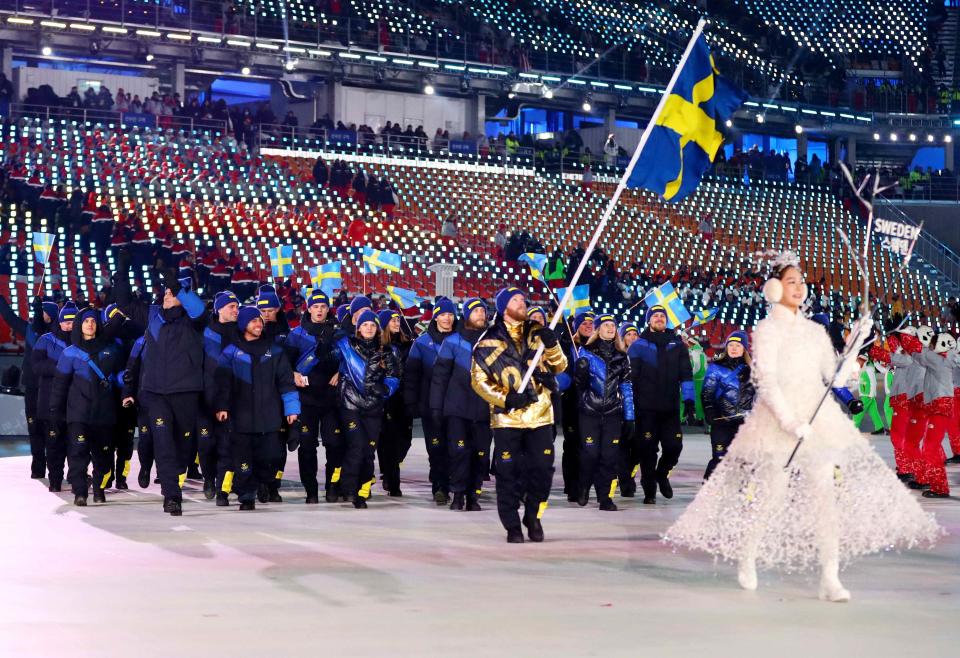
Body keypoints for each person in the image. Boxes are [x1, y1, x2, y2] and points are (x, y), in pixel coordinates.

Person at [665, 252, 941, 602]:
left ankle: (830, 576)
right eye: (791, 281)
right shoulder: (767, 330)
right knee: (771, 496)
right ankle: (748, 556)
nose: (799, 287)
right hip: (780, 422)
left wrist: (856, 343)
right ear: (774, 288)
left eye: (801, 282)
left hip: (818, 419)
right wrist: (789, 421)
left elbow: (835, 376)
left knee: (824, 497)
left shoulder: (815, 331)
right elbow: (766, 379)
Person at [471, 287, 567, 543]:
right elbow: (478, 380)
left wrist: (553, 345)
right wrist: (506, 398)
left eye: (524, 299)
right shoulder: (487, 341)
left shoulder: (537, 333)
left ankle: (533, 515)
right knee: (507, 473)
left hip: (540, 414)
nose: (522, 303)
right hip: (507, 419)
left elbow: (560, 366)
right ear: (504, 307)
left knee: (542, 470)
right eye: (516, 300)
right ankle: (512, 525)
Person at [119, 270, 207, 516]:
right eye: (166, 291)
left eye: (172, 292)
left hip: (186, 391)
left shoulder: (195, 320)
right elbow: (124, 304)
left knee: (181, 446)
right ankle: (172, 496)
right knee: (164, 443)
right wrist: (123, 274)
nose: (167, 295)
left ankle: (175, 480)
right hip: (155, 392)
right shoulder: (153, 315)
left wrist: (176, 286)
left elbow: (197, 307)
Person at [214, 306, 300, 511]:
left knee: (269, 458)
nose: (259, 324)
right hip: (241, 417)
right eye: (254, 321)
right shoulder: (231, 352)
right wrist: (222, 406)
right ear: (244, 324)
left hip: (269, 416)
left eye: (260, 321)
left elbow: (286, 382)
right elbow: (222, 383)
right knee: (243, 461)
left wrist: (292, 409)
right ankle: (246, 496)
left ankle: (260, 484)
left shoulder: (275, 351)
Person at [49, 308, 124, 506]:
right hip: (79, 413)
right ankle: (80, 492)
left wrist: (124, 381)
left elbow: (118, 378)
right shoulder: (69, 353)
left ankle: (99, 489)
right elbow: (59, 386)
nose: (90, 324)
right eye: (85, 321)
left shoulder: (111, 349)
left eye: (93, 321)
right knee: (78, 454)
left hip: (105, 413)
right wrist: (55, 413)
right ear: (79, 325)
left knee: (104, 455)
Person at [627, 305, 695, 504]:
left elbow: (686, 375)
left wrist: (689, 401)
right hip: (645, 409)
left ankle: (662, 473)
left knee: (674, 446)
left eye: (662, 316)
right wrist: (631, 409)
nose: (659, 318)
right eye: (655, 316)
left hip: (670, 409)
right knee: (647, 452)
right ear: (649, 321)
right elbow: (632, 379)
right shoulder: (638, 346)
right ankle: (649, 491)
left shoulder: (677, 345)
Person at [429, 298, 491, 511]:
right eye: (476, 311)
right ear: (466, 316)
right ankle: (457, 494)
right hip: (457, 409)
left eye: (483, 311)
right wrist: (436, 407)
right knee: (459, 452)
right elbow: (440, 378)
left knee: (480, 455)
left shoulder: (494, 341)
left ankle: (474, 495)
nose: (480, 314)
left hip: (485, 409)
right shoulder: (453, 342)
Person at [334, 310, 400, 508]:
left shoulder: (387, 351)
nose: (369, 328)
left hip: (374, 406)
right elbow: (324, 357)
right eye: (365, 325)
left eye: (372, 325)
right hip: (351, 405)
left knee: (369, 450)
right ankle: (350, 490)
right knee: (356, 447)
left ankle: (363, 489)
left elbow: (394, 375)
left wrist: (386, 389)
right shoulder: (345, 345)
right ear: (358, 328)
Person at [284, 290, 341, 503]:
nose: (319, 310)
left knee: (334, 444)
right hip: (306, 400)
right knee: (307, 446)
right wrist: (294, 373)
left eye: (323, 306)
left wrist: (341, 372)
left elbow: (349, 359)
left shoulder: (338, 333)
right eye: (315, 306)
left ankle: (333, 487)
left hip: (331, 399)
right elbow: (285, 365)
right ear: (308, 309)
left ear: (328, 309)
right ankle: (311, 491)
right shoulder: (296, 334)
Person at [573, 314, 633, 511]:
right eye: (606, 325)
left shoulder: (621, 355)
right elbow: (579, 386)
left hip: (613, 413)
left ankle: (605, 497)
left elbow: (626, 387)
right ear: (598, 329)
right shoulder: (586, 351)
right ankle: (583, 486)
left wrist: (630, 416)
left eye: (613, 325)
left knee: (609, 457)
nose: (610, 328)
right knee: (590, 454)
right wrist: (580, 372)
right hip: (590, 411)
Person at [405, 298, 457, 504]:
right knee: (436, 448)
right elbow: (411, 376)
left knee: (456, 448)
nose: (447, 318)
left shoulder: (462, 339)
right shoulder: (422, 343)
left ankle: (455, 482)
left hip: (457, 405)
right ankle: (440, 487)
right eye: (443, 314)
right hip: (430, 405)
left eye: (450, 314)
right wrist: (411, 402)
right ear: (435, 317)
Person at [0, 295, 54, 479]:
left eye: (43, 311)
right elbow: (9, 317)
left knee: (50, 429)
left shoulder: (55, 333)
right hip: (31, 386)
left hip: (49, 388)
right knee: (34, 428)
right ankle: (38, 468)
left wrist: (38, 311)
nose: (38, 314)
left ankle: (55, 468)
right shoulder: (30, 330)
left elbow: (41, 325)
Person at [197, 291, 241, 505]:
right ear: (219, 309)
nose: (236, 310)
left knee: (227, 445)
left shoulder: (241, 332)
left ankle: (223, 487)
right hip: (206, 398)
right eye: (231, 306)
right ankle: (208, 478)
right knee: (206, 444)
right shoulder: (204, 332)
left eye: (237, 306)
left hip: (232, 398)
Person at [30, 302, 77, 492]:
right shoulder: (45, 339)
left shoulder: (83, 341)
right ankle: (55, 479)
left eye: (73, 321)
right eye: (66, 322)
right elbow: (36, 366)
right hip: (51, 401)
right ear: (60, 322)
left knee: (75, 443)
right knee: (54, 443)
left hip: (76, 402)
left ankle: (76, 477)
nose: (70, 325)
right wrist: (61, 368)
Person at [700, 331, 754, 480]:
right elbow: (707, 394)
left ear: (744, 348)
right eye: (731, 345)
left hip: (745, 424)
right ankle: (708, 491)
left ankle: (743, 495)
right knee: (719, 459)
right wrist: (710, 413)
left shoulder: (754, 370)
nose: (734, 348)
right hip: (722, 422)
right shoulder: (715, 368)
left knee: (746, 462)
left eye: (738, 345)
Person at [911, 332, 956, 498]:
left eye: (931, 344)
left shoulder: (938, 359)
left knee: (930, 447)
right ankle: (937, 484)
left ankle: (940, 488)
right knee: (931, 446)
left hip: (940, 406)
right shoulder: (942, 358)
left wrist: (909, 339)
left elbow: (918, 355)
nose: (928, 346)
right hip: (938, 406)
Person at [377, 309, 413, 497]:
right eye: (392, 320)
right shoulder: (379, 347)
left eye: (398, 320)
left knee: (405, 441)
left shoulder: (408, 344)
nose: (396, 323)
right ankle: (392, 481)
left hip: (404, 398)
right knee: (389, 441)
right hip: (388, 398)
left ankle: (389, 470)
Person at [560, 311, 594, 501]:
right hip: (572, 403)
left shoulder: (599, 346)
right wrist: (573, 376)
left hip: (593, 405)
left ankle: (585, 484)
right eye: (584, 323)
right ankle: (572, 485)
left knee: (588, 447)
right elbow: (562, 373)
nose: (588, 325)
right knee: (572, 445)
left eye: (591, 323)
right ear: (576, 326)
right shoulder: (567, 346)